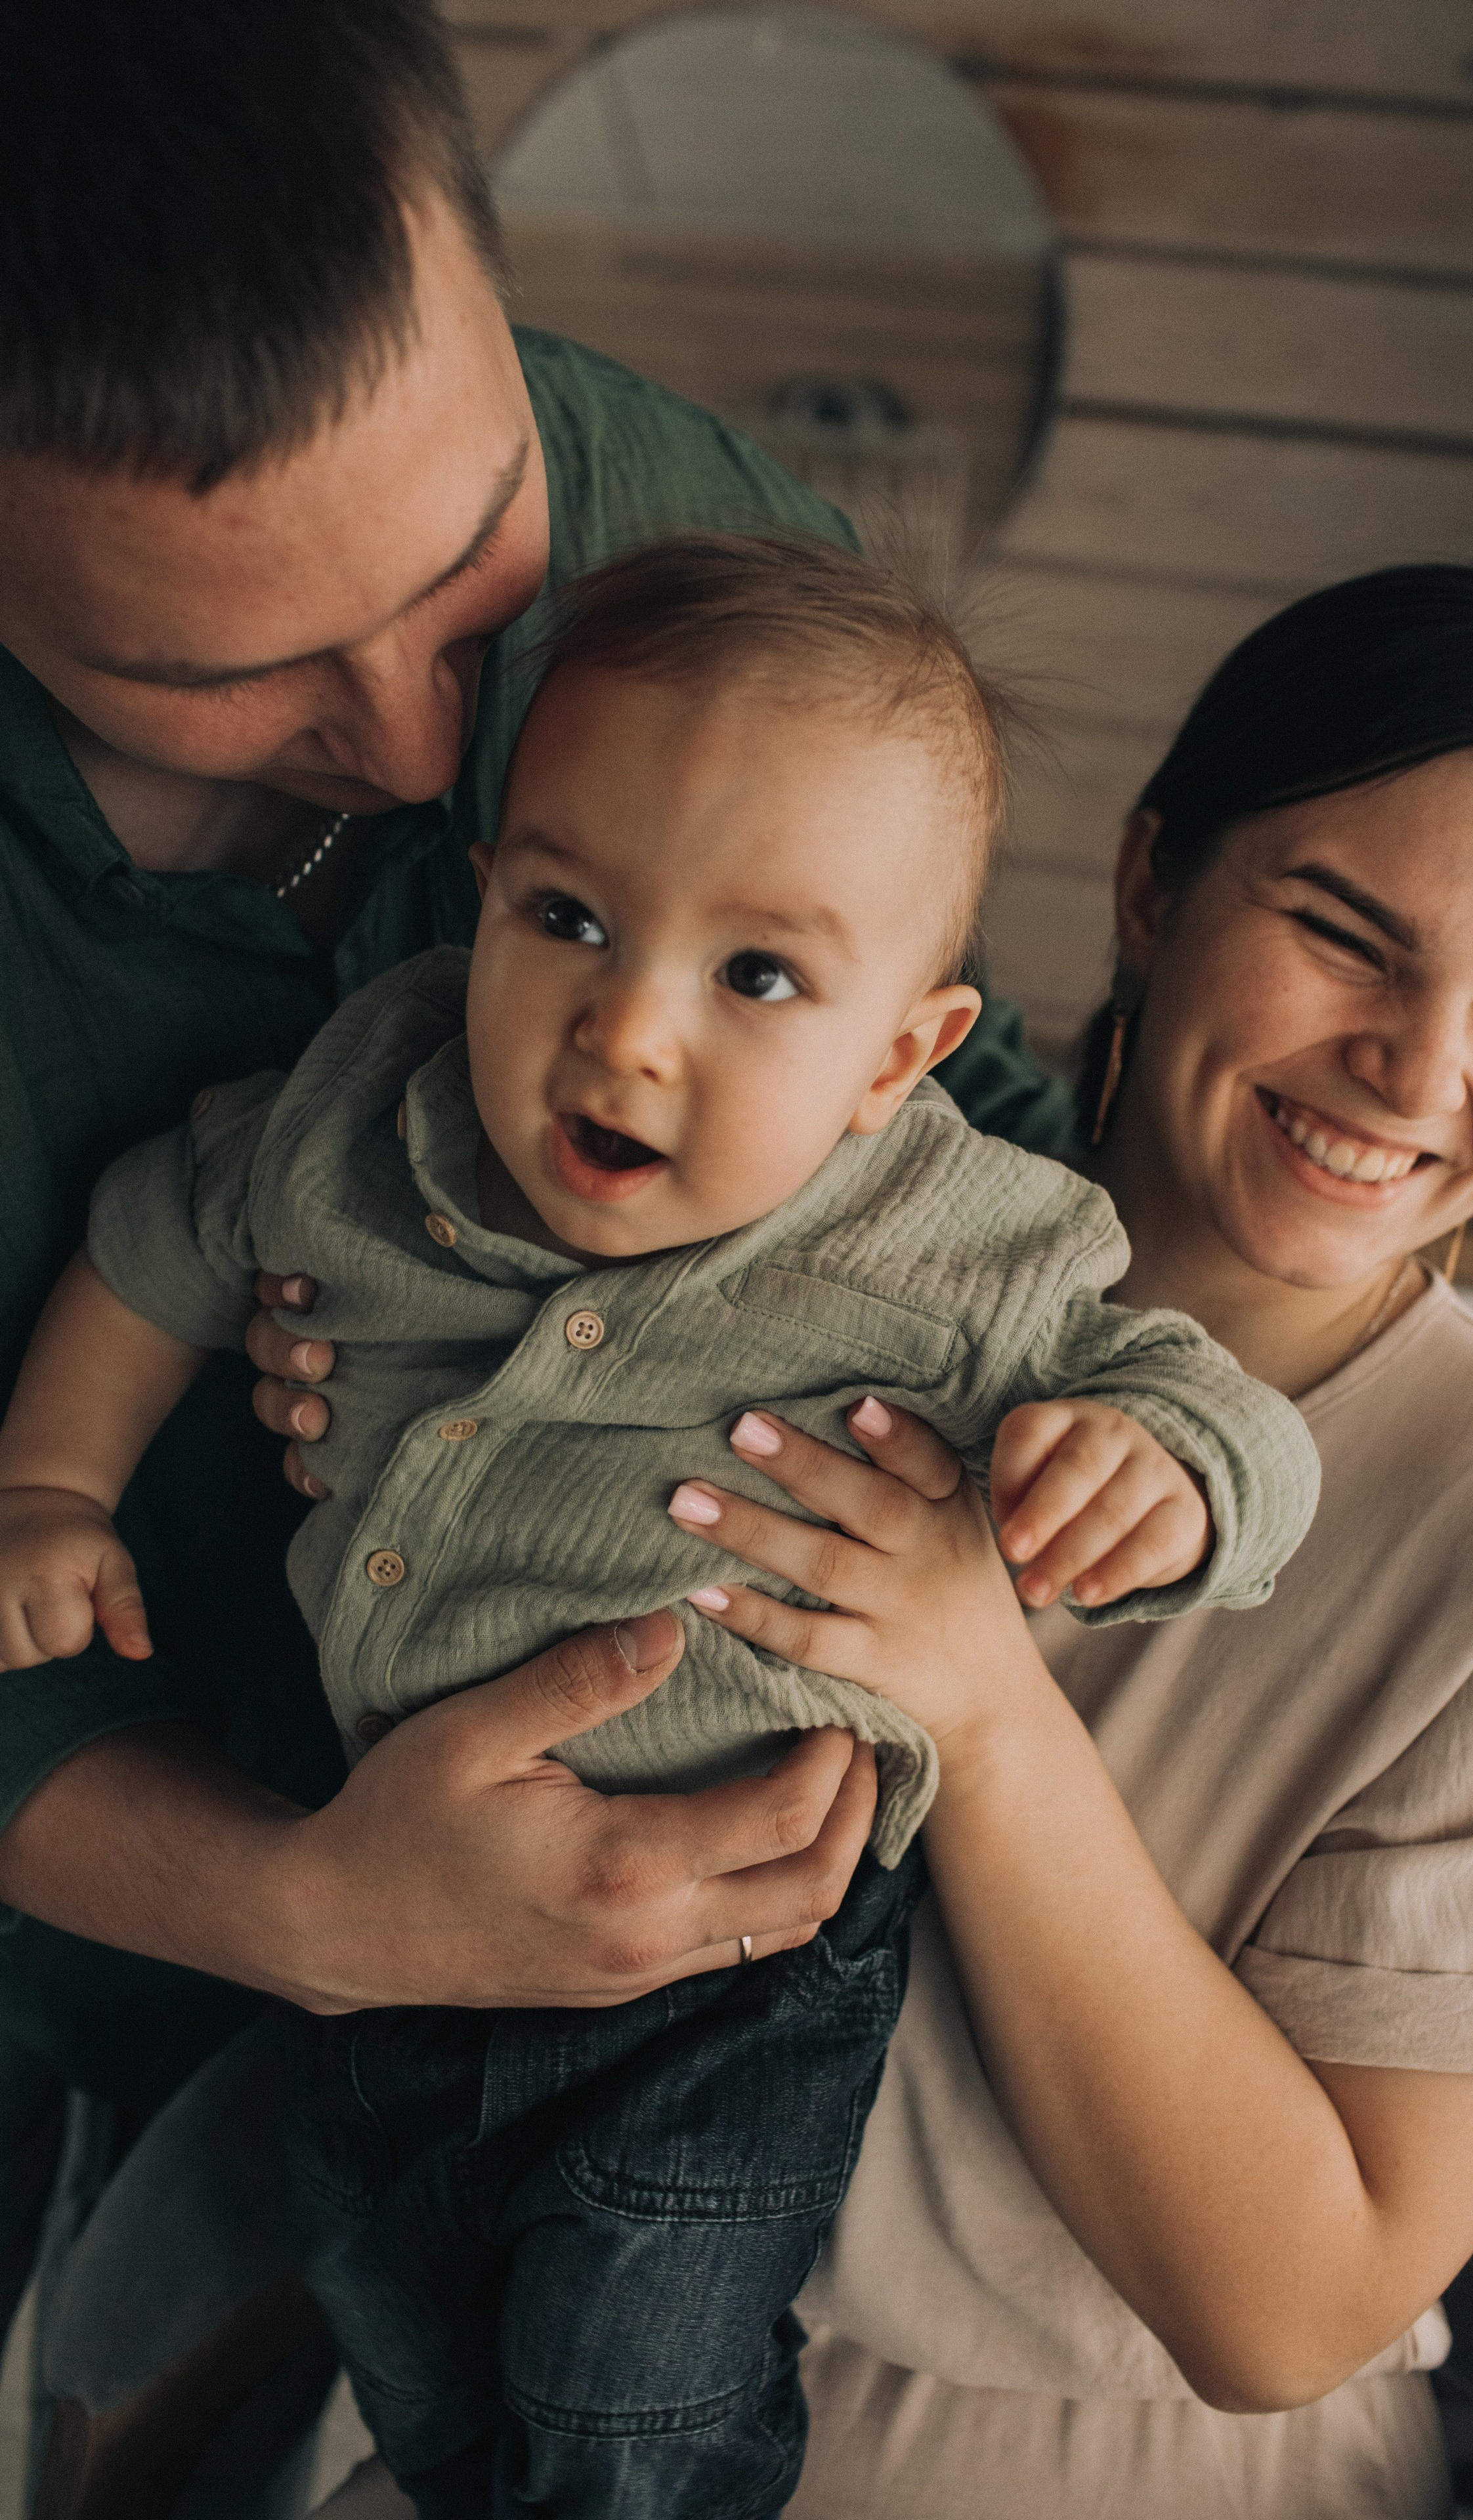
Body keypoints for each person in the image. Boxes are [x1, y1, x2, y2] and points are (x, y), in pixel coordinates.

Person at [0, 534, 1319, 2516]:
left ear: (900, 1055)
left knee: (638, 2410)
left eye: (758, 974)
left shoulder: (951, 1241)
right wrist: (50, 1483)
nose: (627, 1030)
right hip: (387, 1921)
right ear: (484, 901)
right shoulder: (373, 1102)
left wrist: (1168, 1468)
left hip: (732, 1972)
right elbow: (152, 1248)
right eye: (570, 917)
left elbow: (1208, 1401)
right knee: (421, 2365)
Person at [0, 0, 1065, 2357]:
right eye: (234, 669)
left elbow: (969, 1150)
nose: (420, 752)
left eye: (479, 564)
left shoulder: (672, 524)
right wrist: (309, 1912)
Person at [624, 563, 1473, 2517]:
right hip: (566, 2370)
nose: (1422, 1072)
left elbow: (1287, 2314)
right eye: (1348, 938)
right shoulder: (795, 1243)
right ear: (1149, 883)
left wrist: (992, 1707)